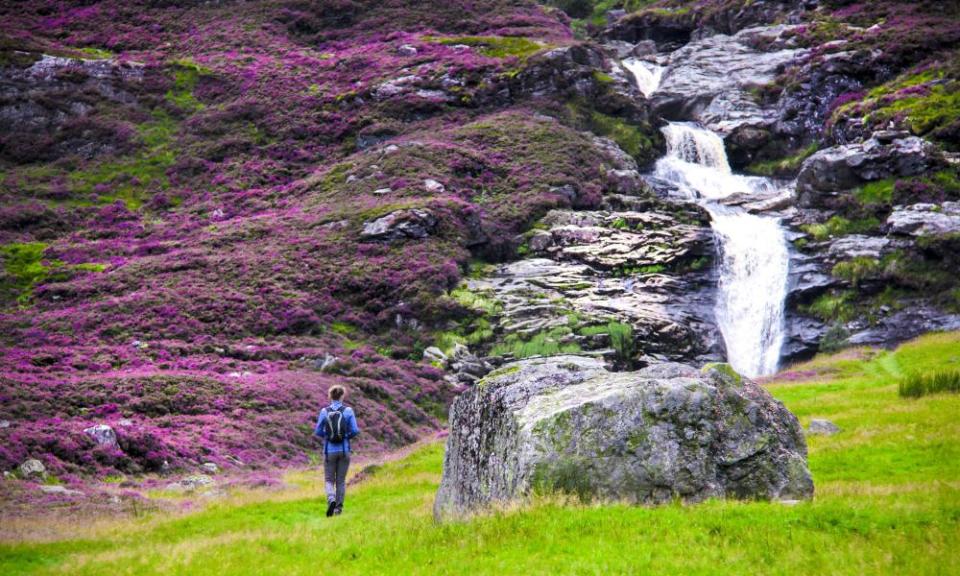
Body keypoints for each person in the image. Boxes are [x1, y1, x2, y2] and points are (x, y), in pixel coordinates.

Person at [314, 385, 359, 517]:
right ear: (342, 396)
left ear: (330, 396)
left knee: (329, 480)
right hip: (344, 450)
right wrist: (345, 437)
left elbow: (317, 431)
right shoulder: (348, 411)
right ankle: (338, 509)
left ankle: (331, 499)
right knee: (340, 481)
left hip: (329, 451)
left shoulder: (324, 411)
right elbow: (355, 430)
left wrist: (328, 437)